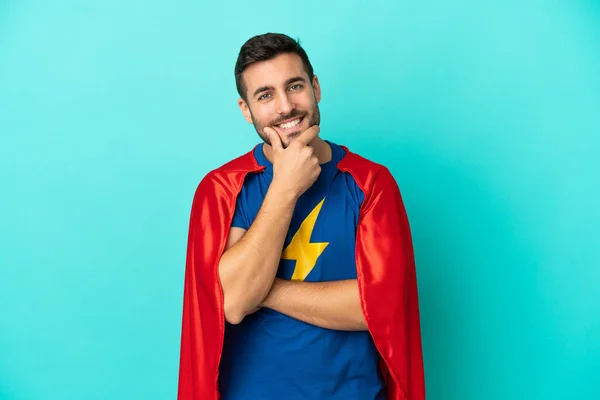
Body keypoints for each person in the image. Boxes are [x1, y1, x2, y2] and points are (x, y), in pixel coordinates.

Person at [177, 33, 425, 400]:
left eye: (294, 86)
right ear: (246, 110)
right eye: (265, 95)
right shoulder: (224, 189)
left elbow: (375, 307)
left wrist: (264, 289)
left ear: (316, 88)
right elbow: (233, 304)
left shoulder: (371, 183)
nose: (285, 107)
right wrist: (285, 189)